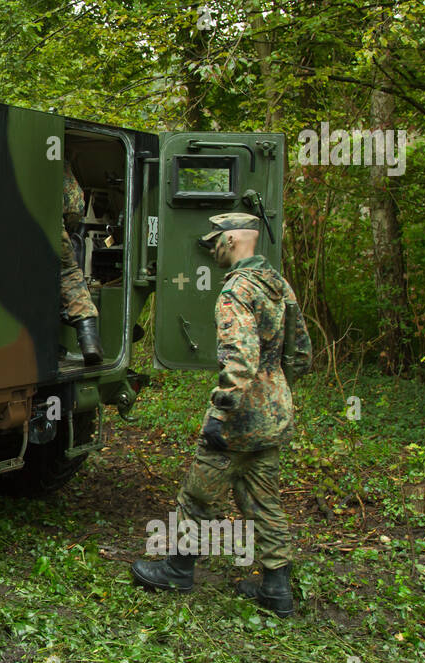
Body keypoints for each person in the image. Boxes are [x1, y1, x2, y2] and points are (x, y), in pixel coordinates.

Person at [131, 212, 312, 617]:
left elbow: (241, 356)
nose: (212, 248)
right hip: (273, 410)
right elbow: (300, 353)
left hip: (238, 417)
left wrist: (223, 408)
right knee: (264, 500)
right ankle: (276, 590)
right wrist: (275, 391)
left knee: (198, 495)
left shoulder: (236, 290)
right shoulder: (278, 284)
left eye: (215, 240)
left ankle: (177, 570)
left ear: (232, 241)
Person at [62, 162, 103, 364]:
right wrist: (69, 227)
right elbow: (74, 205)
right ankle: (90, 342)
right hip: (48, 230)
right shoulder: (56, 160)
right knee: (69, 276)